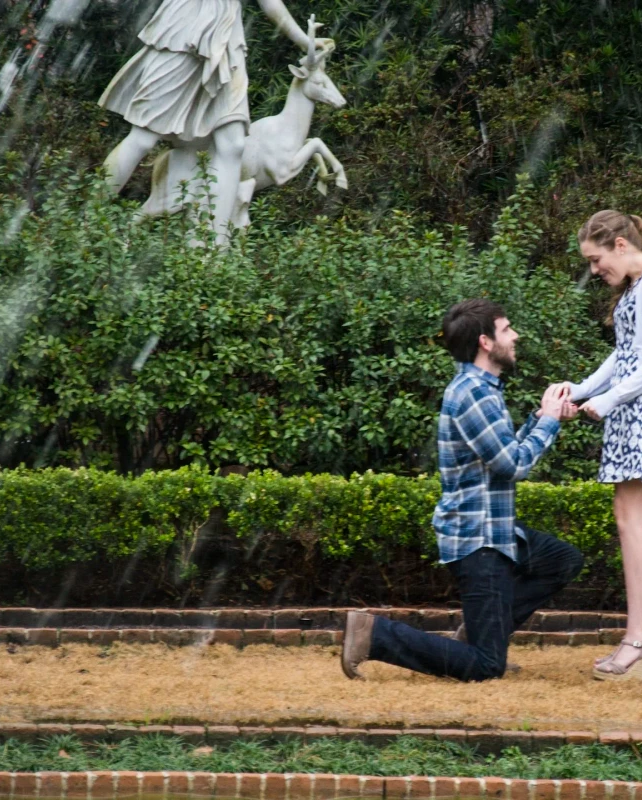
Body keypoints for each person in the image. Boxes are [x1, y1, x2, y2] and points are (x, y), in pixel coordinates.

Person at [341, 299, 583, 681]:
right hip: (479, 541)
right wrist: (549, 423)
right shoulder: (472, 393)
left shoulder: (483, 388)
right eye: (507, 329)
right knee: (486, 667)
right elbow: (514, 466)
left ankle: (481, 631)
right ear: (486, 342)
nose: (515, 336)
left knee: (561, 560)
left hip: (495, 530)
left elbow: (502, 453)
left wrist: (541, 418)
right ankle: (375, 636)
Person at [555, 210, 642, 682]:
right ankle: (638, 636)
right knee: (627, 519)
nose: (594, 272)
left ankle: (639, 638)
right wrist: (583, 390)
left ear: (618, 244)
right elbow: (625, 353)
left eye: (595, 260)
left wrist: (609, 399)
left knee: (634, 522)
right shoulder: (638, 285)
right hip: (632, 407)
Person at [98, 0, 324, 241]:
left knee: (232, 144)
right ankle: (89, 222)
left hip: (227, 40)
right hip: (185, 31)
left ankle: (211, 252)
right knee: (143, 137)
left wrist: (305, 41)